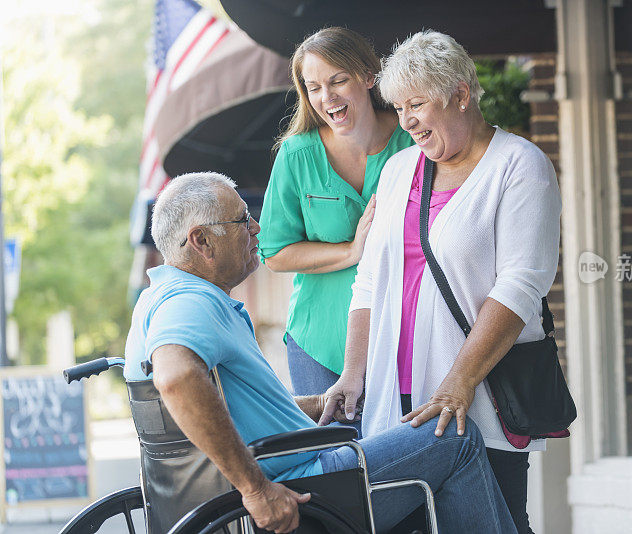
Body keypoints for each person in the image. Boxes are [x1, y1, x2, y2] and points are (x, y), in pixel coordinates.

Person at [124, 172, 515, 534]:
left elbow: (237, 409)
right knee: (454, 439)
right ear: (202, 241)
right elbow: (176, 377)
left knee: (390, 428)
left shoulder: (156, 297)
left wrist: (318, 403)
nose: (256, 228)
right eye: (243, 221)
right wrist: (257, 491)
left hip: (285, 470)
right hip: (304, 486)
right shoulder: (190, 302)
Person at [321, 31, 562, 534]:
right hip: (395, 406)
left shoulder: (519, 166)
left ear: (460, 94)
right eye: (397, 106)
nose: (405, 120)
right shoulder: (399, 169)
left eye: (417, 104)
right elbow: (368, 283)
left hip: (479, 402)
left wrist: (460, 381)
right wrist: (352, 373)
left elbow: (521, 285)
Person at [257, 27, 414, 405]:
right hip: (319, 344)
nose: (326, 97)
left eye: (338, 80)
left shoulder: (413, 141)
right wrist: (349, 251)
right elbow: (275, 253)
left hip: (404, 335)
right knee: (334, 460)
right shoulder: (296, 156)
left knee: (402, 457)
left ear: (368, 76)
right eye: (313, 87)